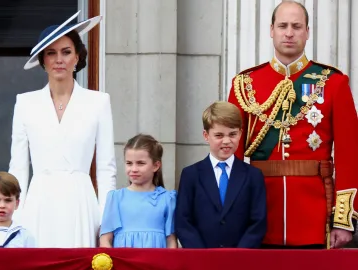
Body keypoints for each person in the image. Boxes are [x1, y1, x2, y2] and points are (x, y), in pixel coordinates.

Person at [227, 0, 358, 249]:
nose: (289, 33)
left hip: (315, 214)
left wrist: (342, 219)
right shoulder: (245, 85)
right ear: (271, 30)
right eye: (283, 26)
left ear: (307, 32)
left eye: (297, 26)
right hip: (259, 212)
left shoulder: (333, 83)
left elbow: (350, 155)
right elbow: (231, 153)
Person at [8, 11, 116, 248]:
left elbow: (107, 169)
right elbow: (17, 168)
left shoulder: (99, 102)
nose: (59, 59)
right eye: (51, 53)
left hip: (81, 200)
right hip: (38, 201)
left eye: (66, 52)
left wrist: (105, 221)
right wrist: (16, 217)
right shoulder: (25, 102)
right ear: (42, 60)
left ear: (77, 57)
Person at [175, 102, 267, 249]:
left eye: (232, 134)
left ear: (240, 133)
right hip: (202, 259)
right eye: (219, 135)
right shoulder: (191, 174)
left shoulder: (253, 175)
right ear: (206, 135)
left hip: (240, 260)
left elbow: (258, 221)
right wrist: (201, 254)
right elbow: (183, 221)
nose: (226, 141)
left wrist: (239, 254)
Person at [99, 135, 177, 248]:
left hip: (156, 263)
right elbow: (105, 239)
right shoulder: (115, 197)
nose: (134, 169)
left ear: (156, 166)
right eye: (129, 163)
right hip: (123, 263)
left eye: (140, 163)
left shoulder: (167, 198)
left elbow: (171, 241)